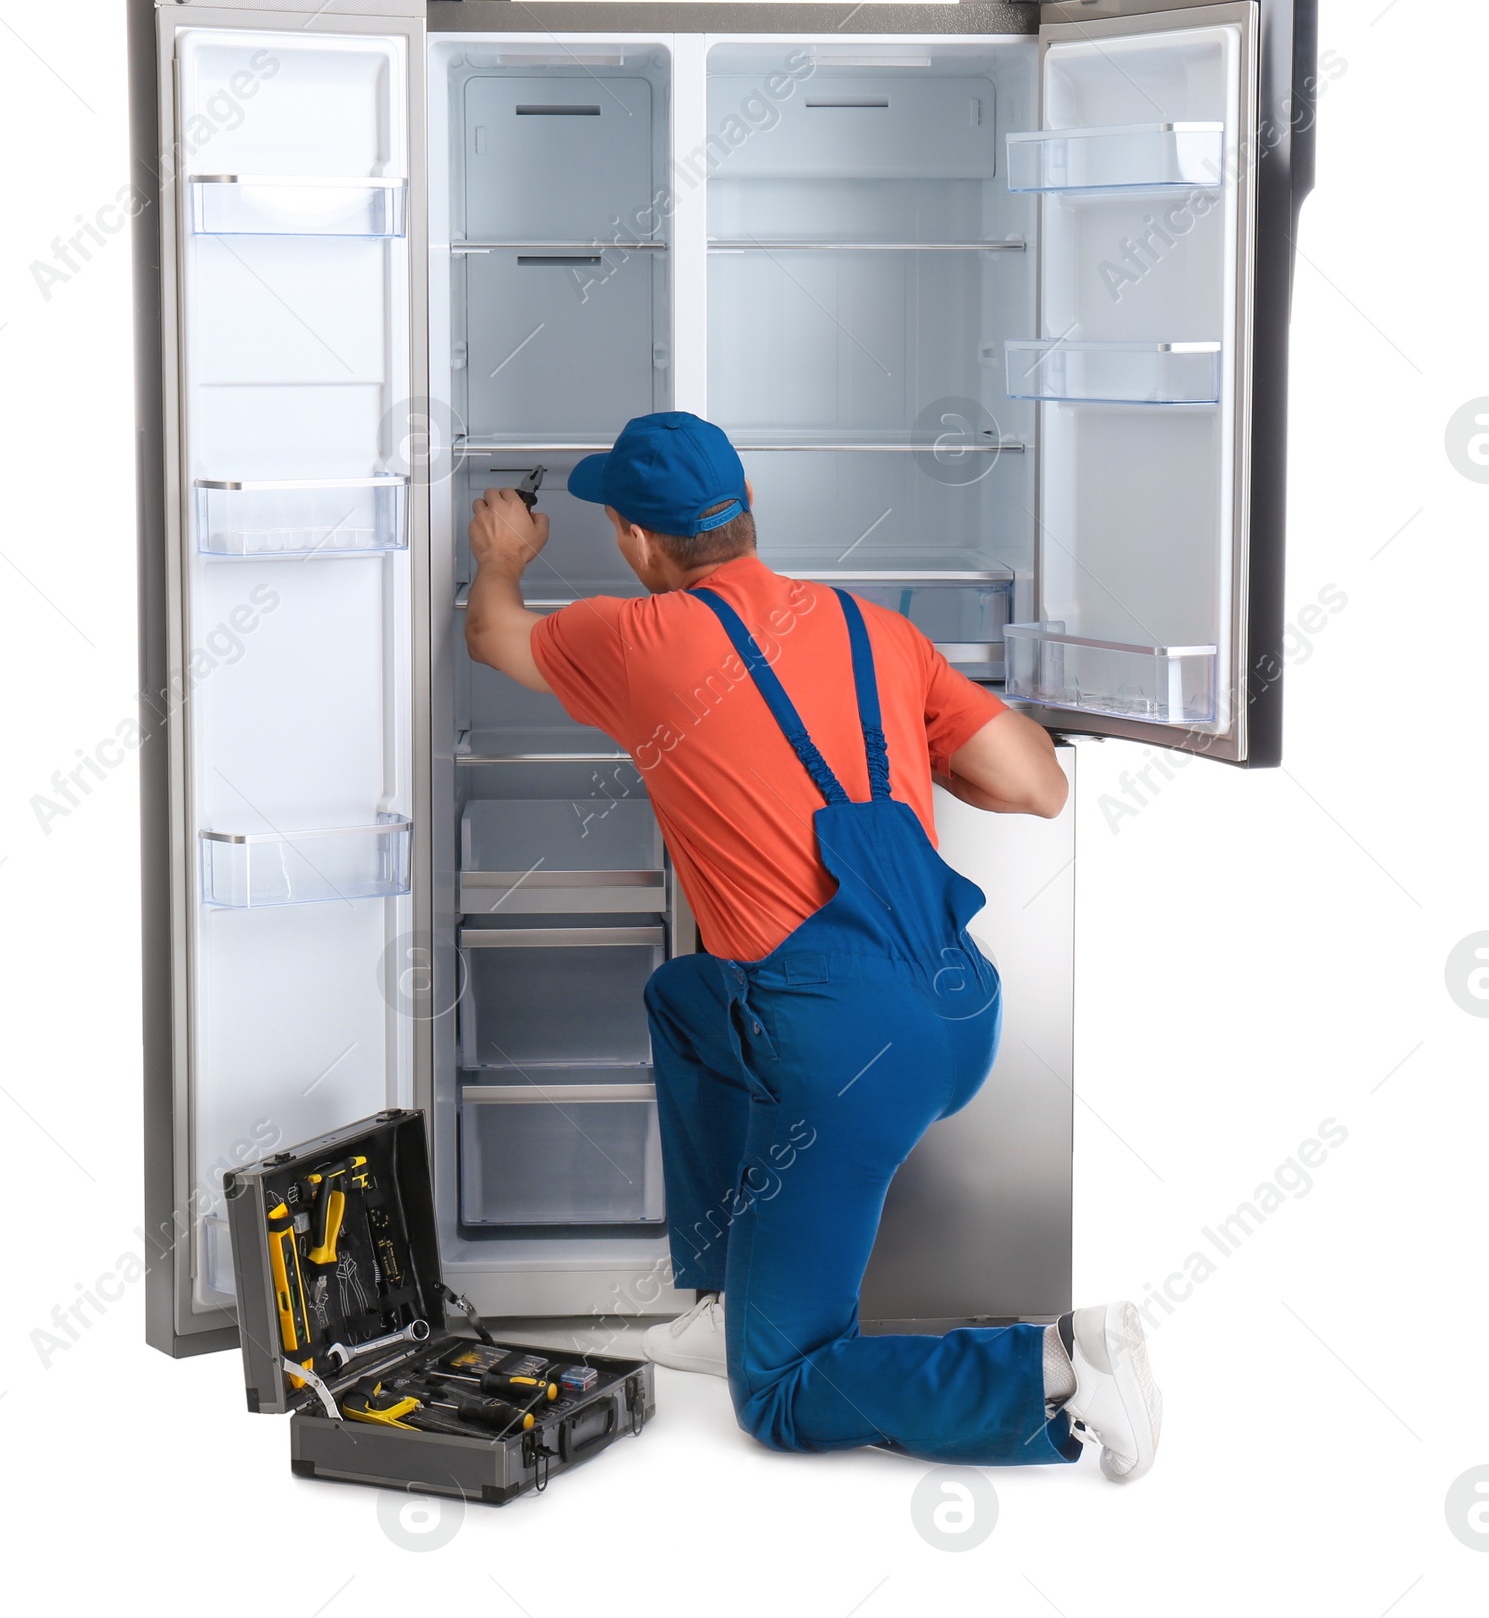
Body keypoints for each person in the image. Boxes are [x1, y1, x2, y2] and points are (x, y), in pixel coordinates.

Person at [464, 411, 1161, 1479]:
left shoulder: (637, 639)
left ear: (637, 544)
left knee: (781, 1394)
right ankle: (726, 1294)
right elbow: (1038, 782)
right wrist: (913, 750)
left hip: (842, 1056)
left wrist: (503, 561)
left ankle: (1058, 1363)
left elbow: (493, 635)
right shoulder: (870, 631)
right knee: (687, 1001)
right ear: (745, 516)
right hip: (954, 1004)